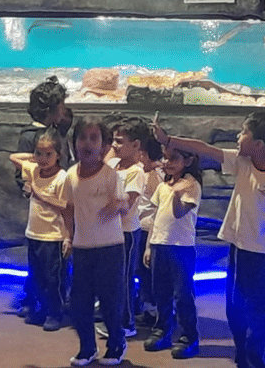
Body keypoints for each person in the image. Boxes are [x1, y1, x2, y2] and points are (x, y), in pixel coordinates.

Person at [153, 111, 265, 368]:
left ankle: (257, 361)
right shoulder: (242, 164)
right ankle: (243, 356)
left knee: (261, 316)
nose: (238, 137)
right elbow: (204, 149)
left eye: (244, 133)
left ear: (259, 145)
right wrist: (169, 139)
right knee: (234, 309)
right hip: (238, 252)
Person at [62, 117, 128, 367]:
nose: (87, 144)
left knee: (111, 301)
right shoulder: (70, 175)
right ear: (74, 142)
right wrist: (68, 236)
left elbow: (124, 203)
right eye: (82, 138)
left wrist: (117, 205)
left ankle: (116, 344)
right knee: (80, 303)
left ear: (103, 145)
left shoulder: (111, 176)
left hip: (109, 248)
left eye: (93, 138)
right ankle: (87, 348)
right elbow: (68, 208)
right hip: (82, 248)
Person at [14, 76, 70, 317]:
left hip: (58, 210)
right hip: (40, 212)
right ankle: (35, 300)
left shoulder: (55, 131)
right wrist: (28, 186)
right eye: (61, 106)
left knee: (55, 263)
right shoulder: (31, 136)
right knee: (40, 263)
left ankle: (53, 304)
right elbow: (21, 168)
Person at [142, 145, 203, 359]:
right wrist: (149, 245)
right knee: (161, 292)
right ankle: (162, 330)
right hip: (160, 245)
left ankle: (189, 336)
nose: (167, 162)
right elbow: (156, 217)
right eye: (165, 158)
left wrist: (177, 193)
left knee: (183, 294)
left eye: (173, 158)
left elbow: (178, 213)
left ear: (187, 161)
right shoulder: (163, 186)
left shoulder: (191, 186)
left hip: (181, 248)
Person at [9, 126, 69, 331]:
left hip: (54, 236)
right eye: (39, 153)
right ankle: (41, 309)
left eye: (48, 154)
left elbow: (65, 207)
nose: (42, 158)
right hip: (34, 233)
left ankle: (55, 312)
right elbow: (13, 158)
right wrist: (33, 158)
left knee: (53, 278)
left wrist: (40, 194)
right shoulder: (34, 170)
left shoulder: (62, 177)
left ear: (58, 155)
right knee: (37, 275)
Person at [98, 116, 148, 339]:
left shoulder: (136, 172)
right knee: (110, 278)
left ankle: (126, 323)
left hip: (126, 234)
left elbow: (127, 205)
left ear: (136, 145)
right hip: (108, 232)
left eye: (119, 141)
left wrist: (100, 206)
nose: (114, 146)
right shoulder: (113, 164)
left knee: (124, 279)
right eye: (113, 141)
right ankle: (113, 318)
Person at [136, 127, 164, 326]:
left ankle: (155, 311)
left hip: (149, 230)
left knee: (149, 273)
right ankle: (147, 308)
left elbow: (156, 208)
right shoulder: (142, 172)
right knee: (142, 272)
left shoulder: (155, 175)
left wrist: (149, 243)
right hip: (139, 228)